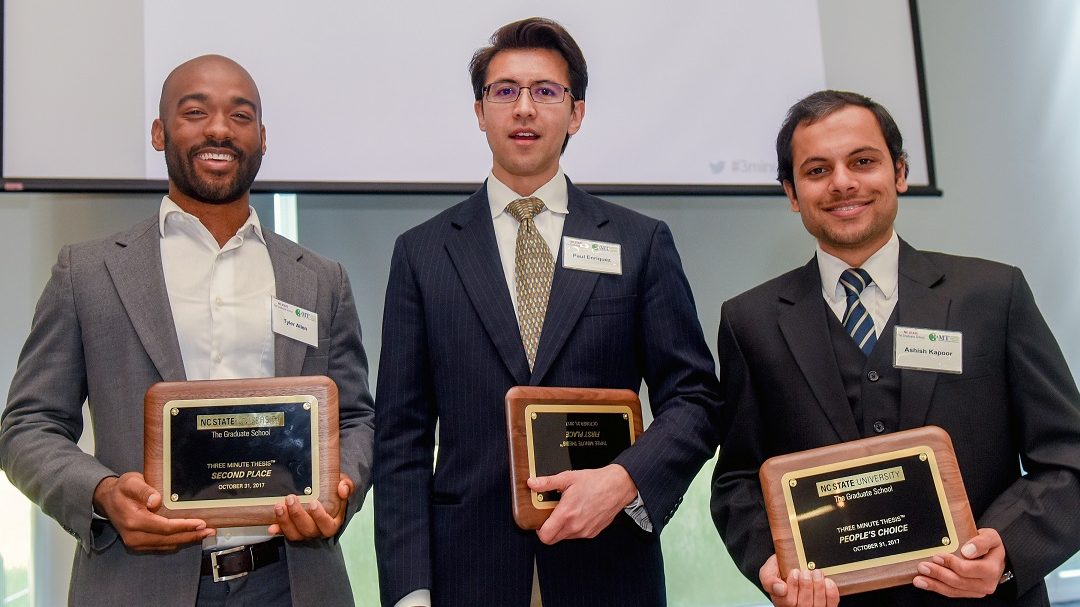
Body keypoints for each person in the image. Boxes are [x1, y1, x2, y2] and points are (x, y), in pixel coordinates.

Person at [373, 17, 724, 607]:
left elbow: (695, 398)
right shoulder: (423, 252)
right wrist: (410, 591)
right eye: (504, 91)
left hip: (609, 567)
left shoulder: (640, 243)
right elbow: (401, 437)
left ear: (576, 112)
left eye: (545, 91)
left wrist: (625, 481)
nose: (524, 108)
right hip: (468, 575)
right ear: (480, 112)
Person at [0, 54, 374, 606]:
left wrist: (343, 491)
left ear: (263, 138)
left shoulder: (320, 279)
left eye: (240, 116)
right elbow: (28, 426)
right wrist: (101, 493)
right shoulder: (89, 272)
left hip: (291, 584)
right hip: (137, 585)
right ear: (159, 132)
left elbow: (357, 419)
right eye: (195, 112)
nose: (219, 128)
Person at [710, 89, 1080, 607]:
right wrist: (771, 567)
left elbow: (1068, 458)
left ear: (899, 172)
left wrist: (1007, 553)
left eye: (863, 161)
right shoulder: (749, 322)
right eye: (817, 170)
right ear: (792, 194)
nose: (843, 183)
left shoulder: (994, 296)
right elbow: (737, 481)